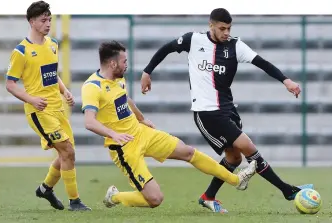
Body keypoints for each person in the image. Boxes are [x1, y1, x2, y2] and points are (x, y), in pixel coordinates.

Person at [140, 8, 313, 213]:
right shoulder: (193, 40)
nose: (226, 33)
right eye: (222, 28)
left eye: (229, 28)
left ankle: (208, 196)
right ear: (211, 25)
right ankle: (287, 190)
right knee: (247, 146)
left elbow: (262, 63)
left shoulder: (235, 46)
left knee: (234, 158)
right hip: (206, 112)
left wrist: (286, 80)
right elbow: (166, 48)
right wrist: (147, 72)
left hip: (228, 109)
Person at [81, 40, 257, 209]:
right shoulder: (92, 87)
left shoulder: (118, 79)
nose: (127, 64)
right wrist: (114, 134)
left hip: (141, 133)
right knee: (155, 199)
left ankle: (236, 180)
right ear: (112, 64)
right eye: (124, 61)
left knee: (188, 152)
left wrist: (142, 119)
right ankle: (115, 196)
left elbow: (125, 99)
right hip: (124, 147)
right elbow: (89, 122)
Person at [5, 1, 90, 211]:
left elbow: (51, 74)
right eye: (43, 20)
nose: (48, 23)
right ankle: (75, 201)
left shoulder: (52, 44)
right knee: (67, 151)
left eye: (49, 19)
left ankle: (45, 189)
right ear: (32, 21)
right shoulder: (21, 51)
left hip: (57, 108)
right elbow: (10, 84)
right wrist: (31, 99)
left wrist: (65, 90)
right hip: (39, 111)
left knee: (66, 154)